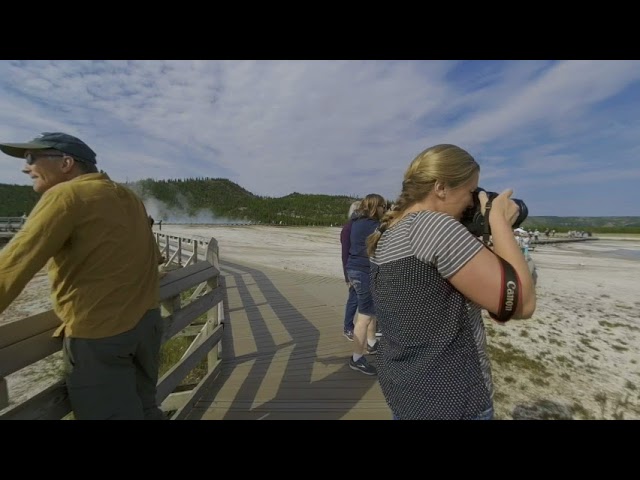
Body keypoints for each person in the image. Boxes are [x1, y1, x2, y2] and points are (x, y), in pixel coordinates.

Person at [0, 132, 165, 420]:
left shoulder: (66, 196)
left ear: (66, 163)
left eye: (31, 157)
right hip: (147, 325)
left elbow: (13, 265)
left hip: (101, 335)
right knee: (147, 409)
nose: (26, 168)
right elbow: (151, 254)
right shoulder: (128, 197)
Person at [367, 144, 536, 419]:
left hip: (409, 393)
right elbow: (524, 304)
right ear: (441, 187)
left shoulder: (389, 231)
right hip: (453, 400)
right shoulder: (433, 227)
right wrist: (499, 220)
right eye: (471, 192)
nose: (472, 203)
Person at [346, 193, 386, 376]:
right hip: (363, 272)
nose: (384, 210)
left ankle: (370, 343)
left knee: (369, 311)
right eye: (382, 207)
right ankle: (356, 358)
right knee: (364, 317)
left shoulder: (356, 223)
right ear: (375, 207)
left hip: (353, 269)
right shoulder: (374, 226)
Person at [340, 200, 361, 341]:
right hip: (354, 268)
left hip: (360, 268)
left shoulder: (358, 227)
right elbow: (345, 253)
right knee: (353, 299)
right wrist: (347, 276)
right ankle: (348, 327)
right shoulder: (349, 228)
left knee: (358, 299)